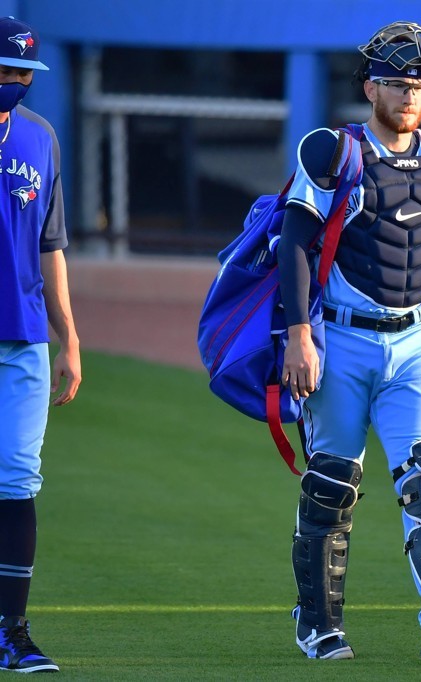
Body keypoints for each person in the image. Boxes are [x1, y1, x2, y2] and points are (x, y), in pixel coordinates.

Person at [277, 21, 421, 664]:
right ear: (371, 85)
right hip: (339, 343)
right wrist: (298, 337)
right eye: (400, 83)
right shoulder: (331, 150)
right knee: (331, 484)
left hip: (415, 345)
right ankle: (317, 624)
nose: (411, 95)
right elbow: (296, 239)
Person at [0, 15, 81, 674]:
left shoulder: (41, 138)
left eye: (22, 72)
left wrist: (69, 339)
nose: (14, 82)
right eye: (3, 70)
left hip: (23, 341)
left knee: (18, 482)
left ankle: (13, 632)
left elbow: (51, 247)